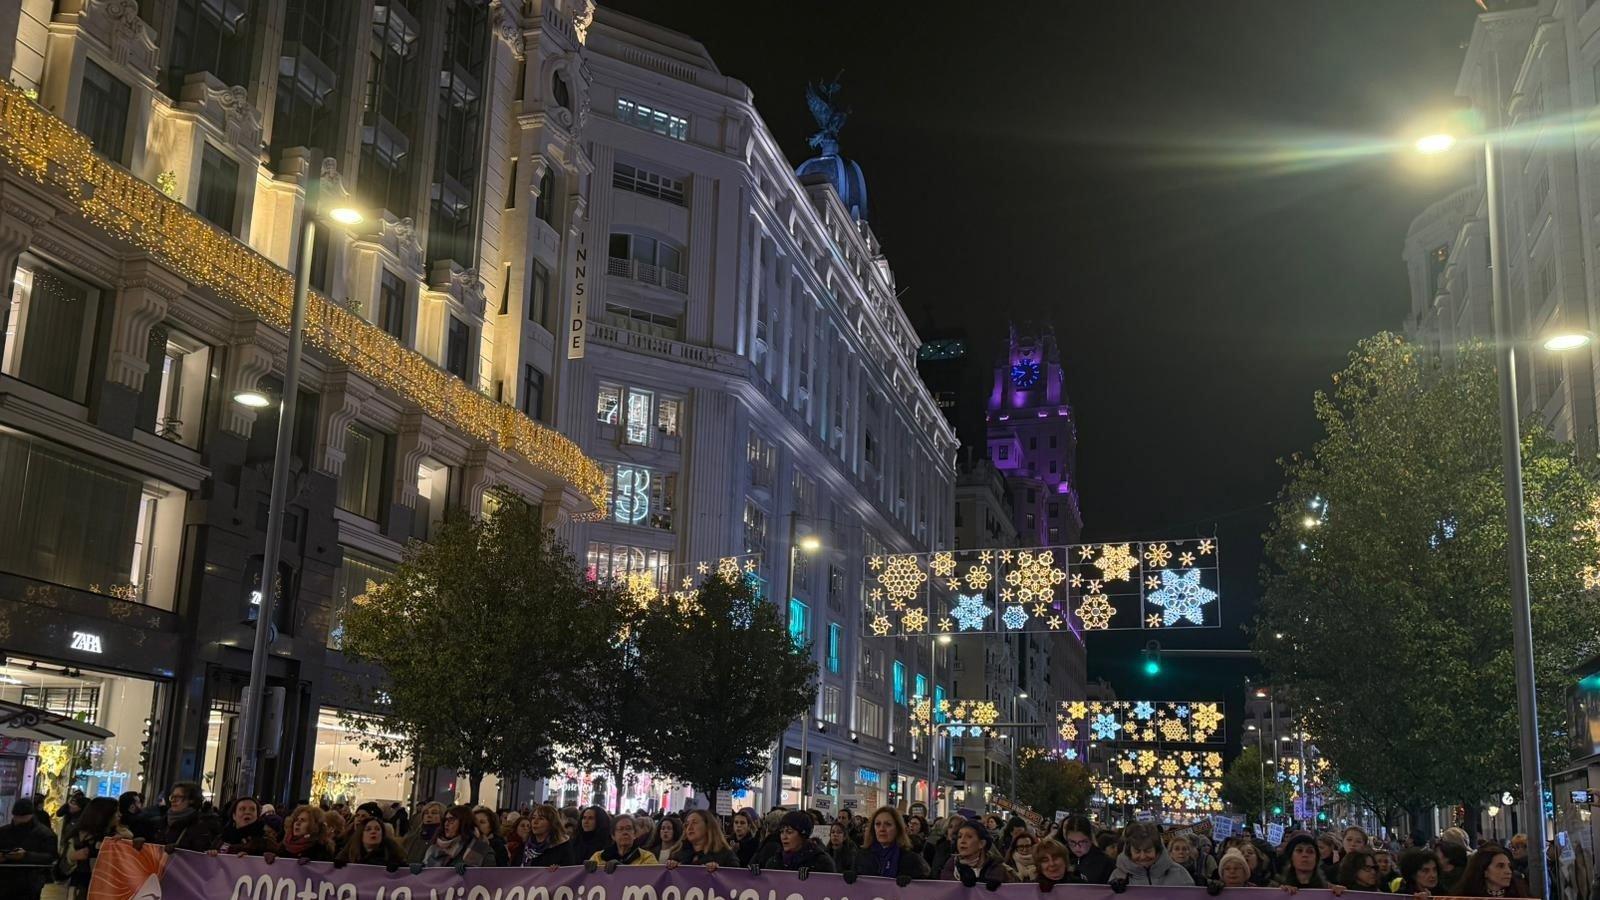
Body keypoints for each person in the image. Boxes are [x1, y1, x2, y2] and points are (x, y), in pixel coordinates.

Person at [58, 797, 127, 900]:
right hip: (83, 891)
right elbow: (60, 873)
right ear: (104, 814)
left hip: (111, 891)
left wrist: (126, 841)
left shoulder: (119, 837)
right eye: (116, 811)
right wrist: (72, 857)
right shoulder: (78, 838)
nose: (119, 815)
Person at [0, 799, 57, 900]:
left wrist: (26, 855)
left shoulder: (45, 833)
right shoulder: (4, 831)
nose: (18, 820)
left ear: (31, 815)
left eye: (22, 817)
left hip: (30, 882)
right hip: (5, 880)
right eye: (16, 816)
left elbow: (51, 857)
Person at [855, 806, 929, 883]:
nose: (882, 829)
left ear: (898, 828)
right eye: (878, 824)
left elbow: (929, 888)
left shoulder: (912, 859)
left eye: (888, 824)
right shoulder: (862, 856)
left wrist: (912, 883)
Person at [1108, 822, 1193, 887]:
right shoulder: (1119, 875)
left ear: (1158, 850)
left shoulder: (1179, 873)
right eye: (1137, 852)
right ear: (1129, 852)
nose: (1142, 856)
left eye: (1148, 851)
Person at [146, 782, 216, 851]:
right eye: (172, 797)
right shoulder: (162, 822)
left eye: (178, 797)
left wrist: (180, 849)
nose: (173, 800)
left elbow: (200, 856)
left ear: (191, 800)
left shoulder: (200, 826)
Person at [756, 810, 833, 873]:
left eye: (789, 832)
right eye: (782, 831)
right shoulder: (774, 861)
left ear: (803, 835)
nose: (784, 837)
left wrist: (813, 877)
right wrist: (756, 875)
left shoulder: (821, 862)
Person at [939, 819, 1009, 885]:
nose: (962, 841)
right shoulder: (951, 865)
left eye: (969, 837)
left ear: (981, 843)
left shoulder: (997, 868)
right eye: (960, 836)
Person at [423, 806, 496, 868]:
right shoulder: (435, 848)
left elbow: (489, 878)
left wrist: (470, 872)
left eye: (451, 820)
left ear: (463, 822)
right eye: (445, 820)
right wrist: (421, 869)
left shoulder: (480, 849)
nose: (446, 824)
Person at [1275, 832, 1344, 895]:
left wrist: (1343, 894)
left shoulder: (1329, 889)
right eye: (1299, 850)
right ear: (1291, 857)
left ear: (1316, 859)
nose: (1305, 855)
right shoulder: (1277, 887)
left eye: (1310, 851)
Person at [667, 809, 737, 870]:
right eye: (687, 824)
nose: (689, 827)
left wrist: (719, 871)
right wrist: (671, 867)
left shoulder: (726, 856)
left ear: (708, 826)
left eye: (694, 823)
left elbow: (735, 880)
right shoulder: (676, 854)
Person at [1453, 845, 1528, 898]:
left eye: (1509, 866)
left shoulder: (1521, 894)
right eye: (1500, 866)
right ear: (1484, 871)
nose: (1508, 871)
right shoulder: (1466, 896)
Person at [1059, 816, 1114, 883]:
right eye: (1072, 842)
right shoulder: (1059, 858)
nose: (1077, 847)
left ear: (1091, 838)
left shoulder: (1106, 863)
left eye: (1083, 842)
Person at [589, 815, 657, 867]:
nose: (625, 832)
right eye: (620, 829)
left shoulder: (647, 858)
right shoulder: (598, 857)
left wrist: (623, 870)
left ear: (635, 834)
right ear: (613, 836)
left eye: (628, 828)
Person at [340, 818, 407, 868]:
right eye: (368, 829)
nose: (373, 832)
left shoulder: (394, 855)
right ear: (361, 834)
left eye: (377, 829)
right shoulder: (348, 854)